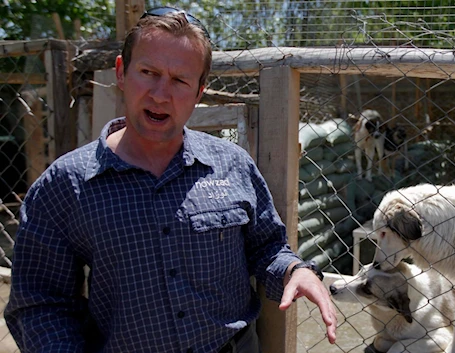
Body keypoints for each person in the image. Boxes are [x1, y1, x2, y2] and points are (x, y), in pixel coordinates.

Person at [6, 7, 336, 353]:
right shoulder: (66, 185)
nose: (161, 95)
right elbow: (40, 303)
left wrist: (293, 270)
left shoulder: (231, 164)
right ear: (121, 73)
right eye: (149, 72)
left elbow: (267, 249)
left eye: (180, 80)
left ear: (199, 91)